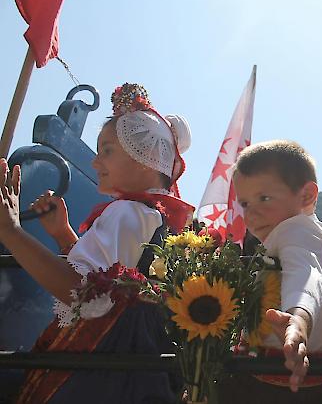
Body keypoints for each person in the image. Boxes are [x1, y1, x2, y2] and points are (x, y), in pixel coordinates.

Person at [0, 83, 194, 404]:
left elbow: (81, 291)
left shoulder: (127, 211)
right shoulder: (150, 216)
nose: (95, 162)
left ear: (142, 158)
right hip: (128, 370)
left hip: (96, 371)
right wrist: (64, 236)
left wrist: (10, 231)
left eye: (107, 151)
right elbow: (110, 283)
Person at [217, 140, 322, 404]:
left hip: (281, 387)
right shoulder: (287, 236)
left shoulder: (298, 230)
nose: (251, 214)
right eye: (245, 203)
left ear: (306, 196)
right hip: (280, 380)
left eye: (264, 198)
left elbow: (306, 275)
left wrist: (297, 320)